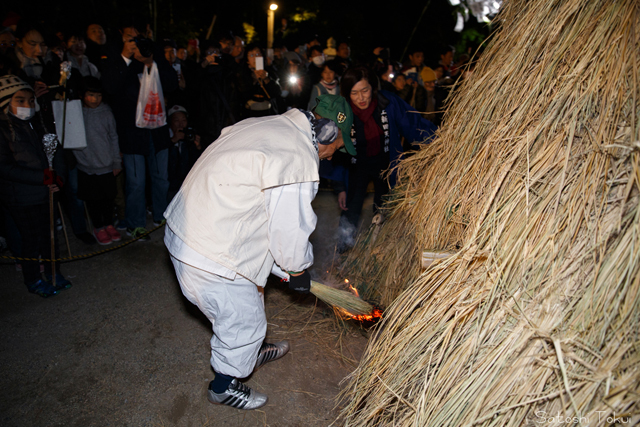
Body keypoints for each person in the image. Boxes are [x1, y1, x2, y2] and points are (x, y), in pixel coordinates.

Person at [163, 94, 352, 410]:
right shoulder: (298, 158)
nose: (333, 156)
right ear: (326, 133)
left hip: (192, 228)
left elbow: (266, 212)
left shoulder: (270, 126)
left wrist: (287, 269)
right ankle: (223, 385)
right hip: (208, 253)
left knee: (249, 296)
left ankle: (249, 351)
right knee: (243, 324)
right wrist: (297, 269)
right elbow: (290, 229)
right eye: (337, 147)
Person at [338, 67, 437, 251]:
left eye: (365, 91)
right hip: (356, 167)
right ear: (346, 93)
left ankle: (380, 251)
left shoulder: (388, 102)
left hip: (386, 165)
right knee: (351, 209)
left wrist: (438, 142)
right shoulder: (341, 112)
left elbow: (413, 125)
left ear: (373, 88)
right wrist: (339, 186)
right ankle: (342, 253)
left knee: (384, 209)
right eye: (354, 93)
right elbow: (330, 151)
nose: (361, 98)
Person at [101, 21, 178, 240]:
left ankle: (160, 215)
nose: (136, 43)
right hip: (132, 132)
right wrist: (126, 57)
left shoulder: (154, 55)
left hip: (158, 130)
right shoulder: (116, 59)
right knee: (136, 182)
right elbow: (110, 87)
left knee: (161, 178)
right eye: (130, 38)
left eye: (139, 38)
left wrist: (152, 61)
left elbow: (172, 83)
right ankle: (135, 223)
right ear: (121, 39)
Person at [0, 75, 71, 297]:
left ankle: (53, 272)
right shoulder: (3, 130)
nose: (27, 106)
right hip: (21, 196)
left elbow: (56, 150)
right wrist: (42, 178)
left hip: (46, 192)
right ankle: (33, 279)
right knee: (30, 239)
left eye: (31, 101)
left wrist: (58, 178)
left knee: (49, 236)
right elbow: (5, 167)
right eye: (19, 101)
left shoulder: (39, 122)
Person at [73, 76, 122, 245]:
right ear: (82, 95)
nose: (95, 99)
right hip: (86, 167)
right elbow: (71, 139)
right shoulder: (76, 113)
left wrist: (116, 161)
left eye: (98, 95)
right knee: (93, 199)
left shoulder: (106, 112)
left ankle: (109, 224)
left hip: (107, 165)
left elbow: (114, 137)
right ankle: (98, 227)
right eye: (90, 95)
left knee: (108, 198)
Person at [166, 105, 201, 201]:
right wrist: (173, 141)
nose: (180, 124)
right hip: (168, 186)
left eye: (183, 120)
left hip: (186, 184)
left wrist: (197, 147)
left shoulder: (189, 136)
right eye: (176, 120)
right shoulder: (164, 138)